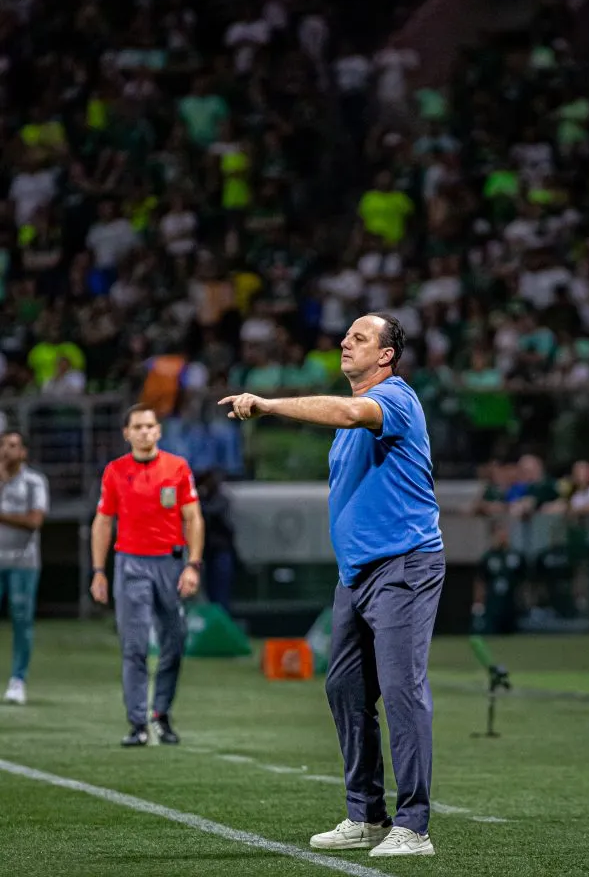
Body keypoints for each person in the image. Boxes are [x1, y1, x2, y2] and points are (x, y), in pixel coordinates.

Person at [219, 313, 444, 858]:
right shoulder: (352, 428)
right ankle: (366, 816)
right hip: (357, 577)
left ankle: (413, 827)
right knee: (344, 689)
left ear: (387, 355)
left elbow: (346, 411)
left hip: (405, 567)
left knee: (402, 690)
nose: (345, 342)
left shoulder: (394, 399)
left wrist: (270, 405)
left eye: (360, 338)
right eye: (346, 335)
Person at [90, 404, 205, 746]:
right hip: (131, 564)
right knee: (135, 645)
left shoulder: (177, 468)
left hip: (170, 564)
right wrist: (99, 571)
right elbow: (103, 521)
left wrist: (192, 564)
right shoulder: (114, 471)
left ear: (158, 431)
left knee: (174, 641)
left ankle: (161, 713)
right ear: (126, 433)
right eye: (137, 426)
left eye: (149, 426)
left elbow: (193, 517)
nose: (144, 431)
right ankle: (138, 722)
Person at [0, 431, 49, 705]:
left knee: (22, 621)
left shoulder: (34, 482)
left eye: (14, 446)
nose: (8, 451)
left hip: (23, 562)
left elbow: (34, 521)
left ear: (24, 452)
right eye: (4, 446)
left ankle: (18, 680)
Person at [196, 469, 236, 614]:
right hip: (204, 553)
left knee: (221, 593)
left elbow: (213, 511)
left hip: (220, 551)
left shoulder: (221, 499)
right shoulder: (200, 499)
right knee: (206, 593)